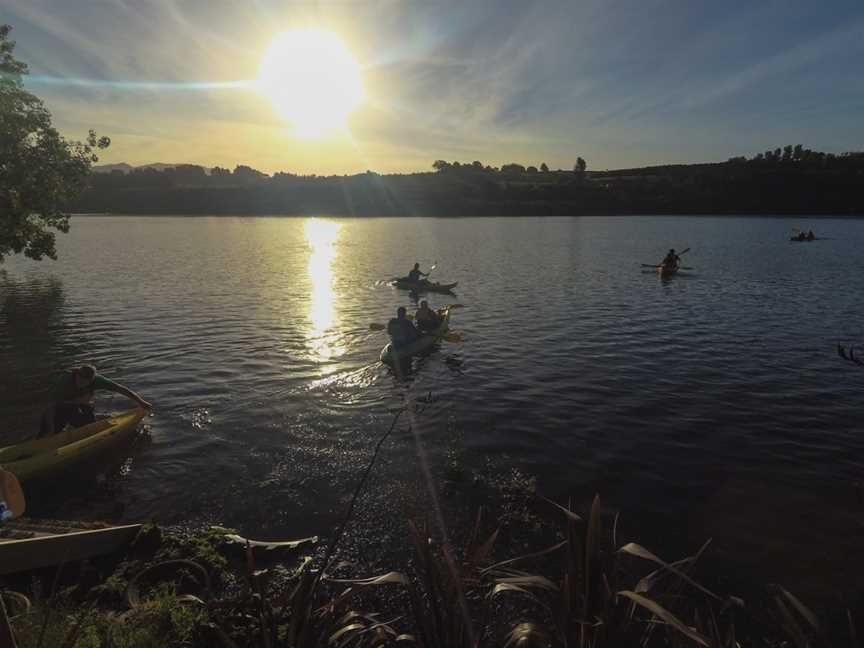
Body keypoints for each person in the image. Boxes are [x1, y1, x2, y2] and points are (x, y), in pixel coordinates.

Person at [40, 364, 151, 436]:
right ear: (76, 375)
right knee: (50, 430)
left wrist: (141, 402)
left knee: (89, 427)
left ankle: (97, 419)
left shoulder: (97, 380)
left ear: (92, 380)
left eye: (86, 382)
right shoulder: (64, 381)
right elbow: (50, 406)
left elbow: (121, 389)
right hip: (60, 405)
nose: (82, 384)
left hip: (82, 403)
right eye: (80, 380)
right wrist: (50, 430)